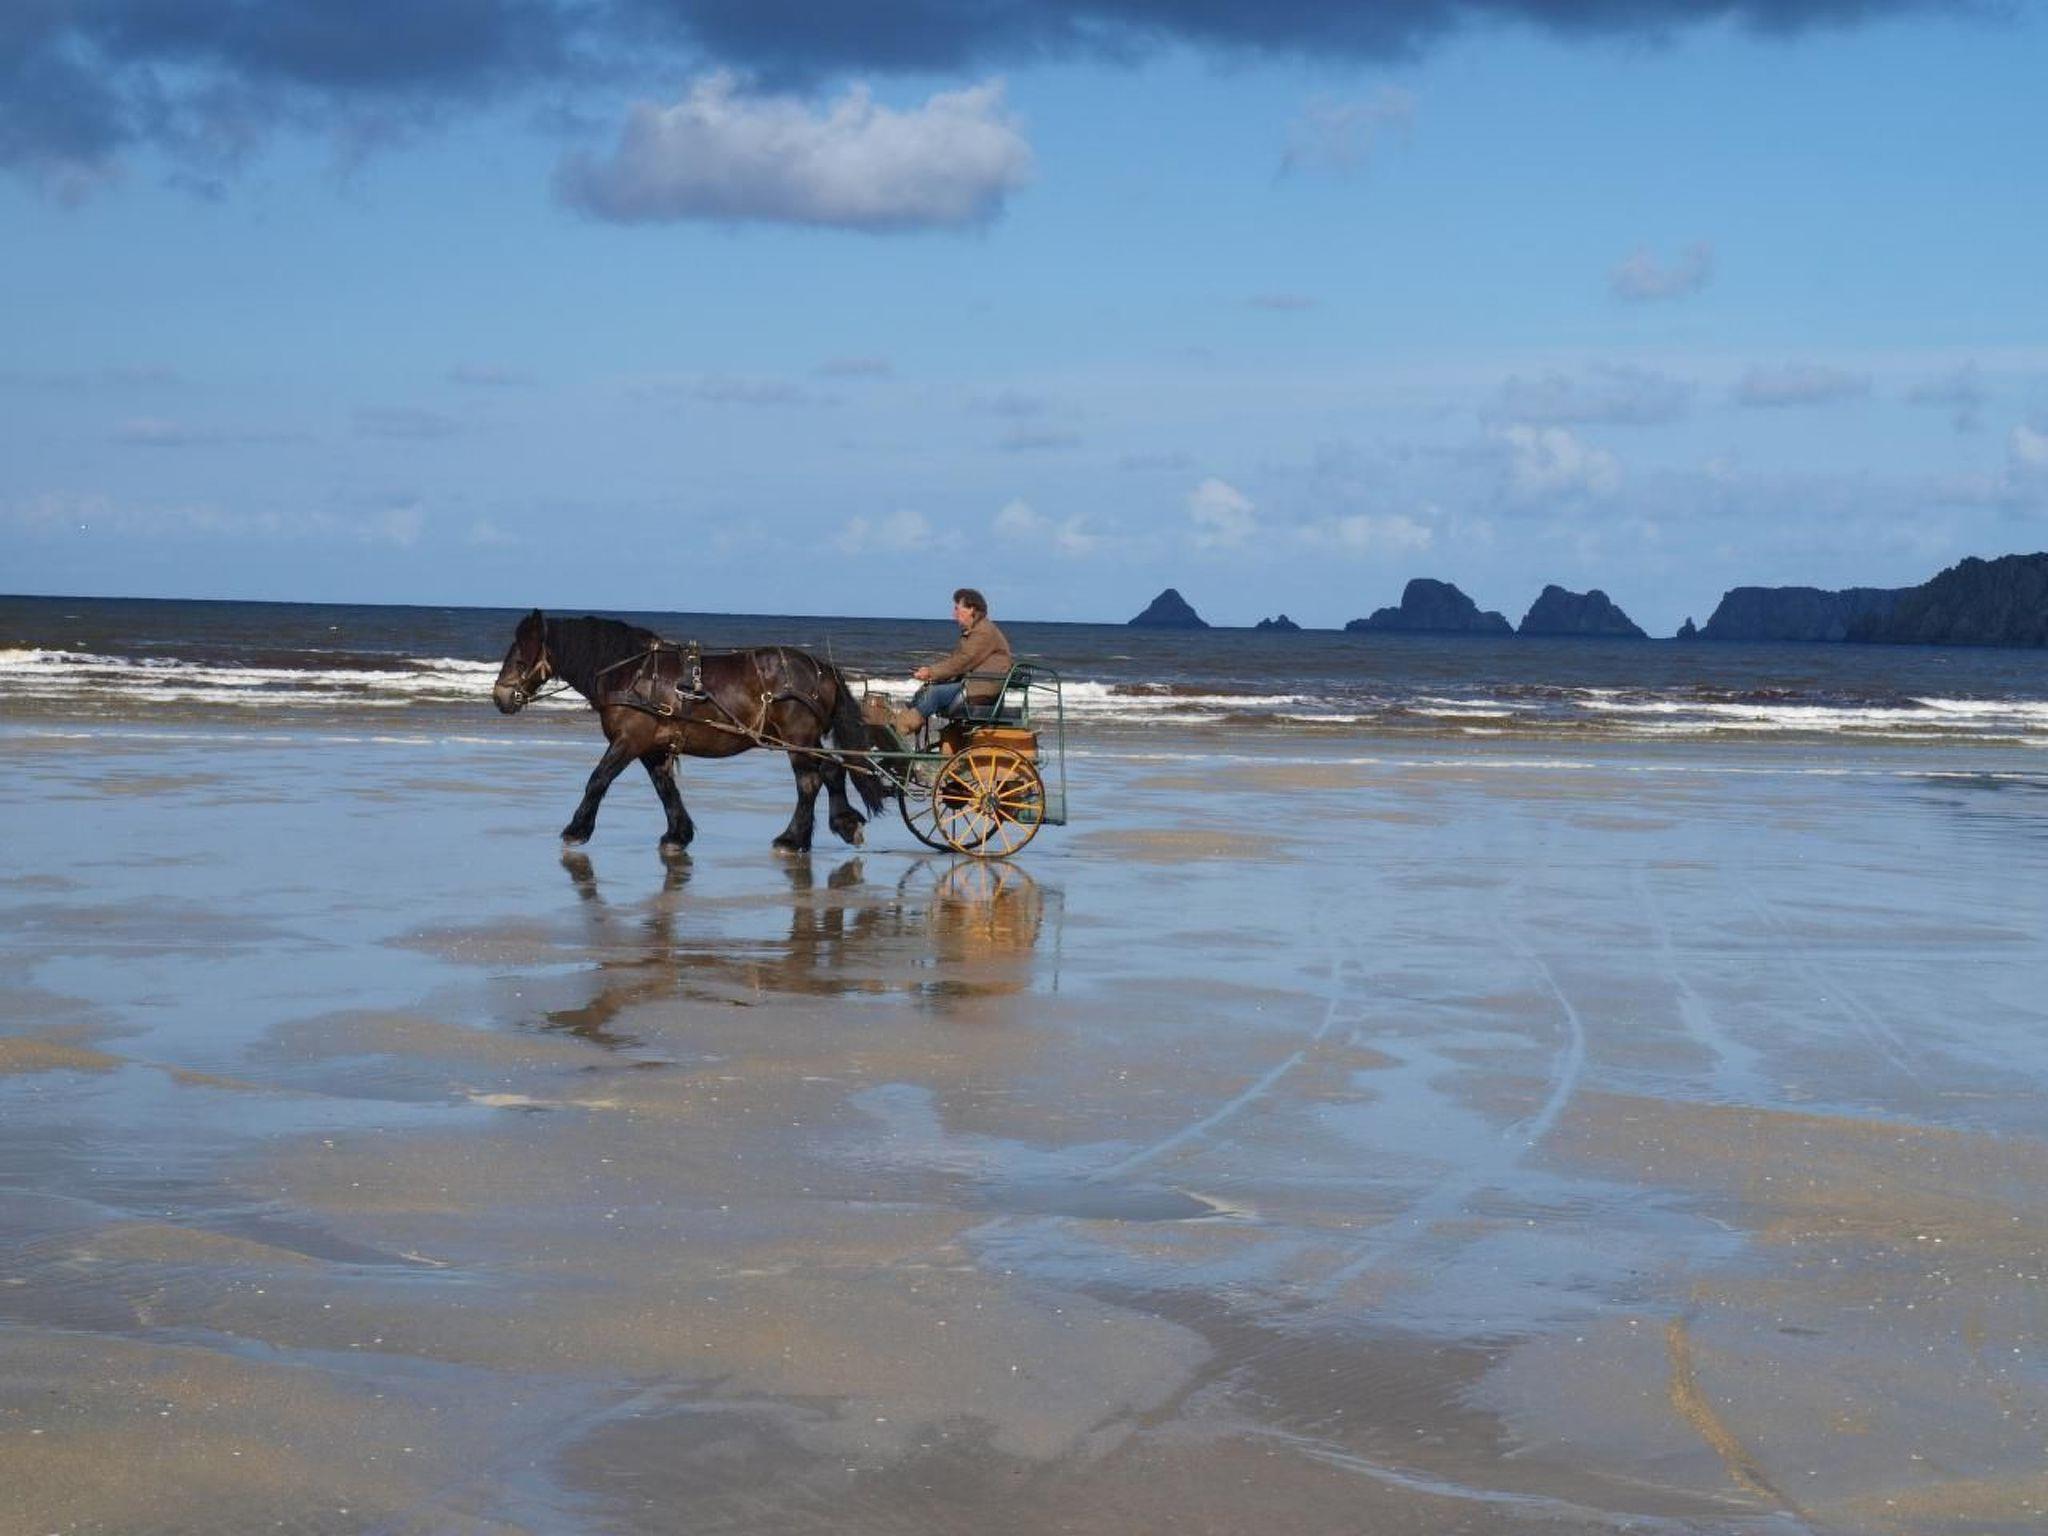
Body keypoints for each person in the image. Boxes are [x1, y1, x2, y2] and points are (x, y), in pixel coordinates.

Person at [899, 588, 1013, 733]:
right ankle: (899, 724)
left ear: (971, 609)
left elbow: (963, 661)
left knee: (934, 694)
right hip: (973, 683)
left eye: (957, 609)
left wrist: (931, 672)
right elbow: (958, 661)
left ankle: (901, 729)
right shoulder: (976, 631)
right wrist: (931, 674)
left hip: (981, 688)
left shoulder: (984, 632)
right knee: (925, 690)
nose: (954, 614)